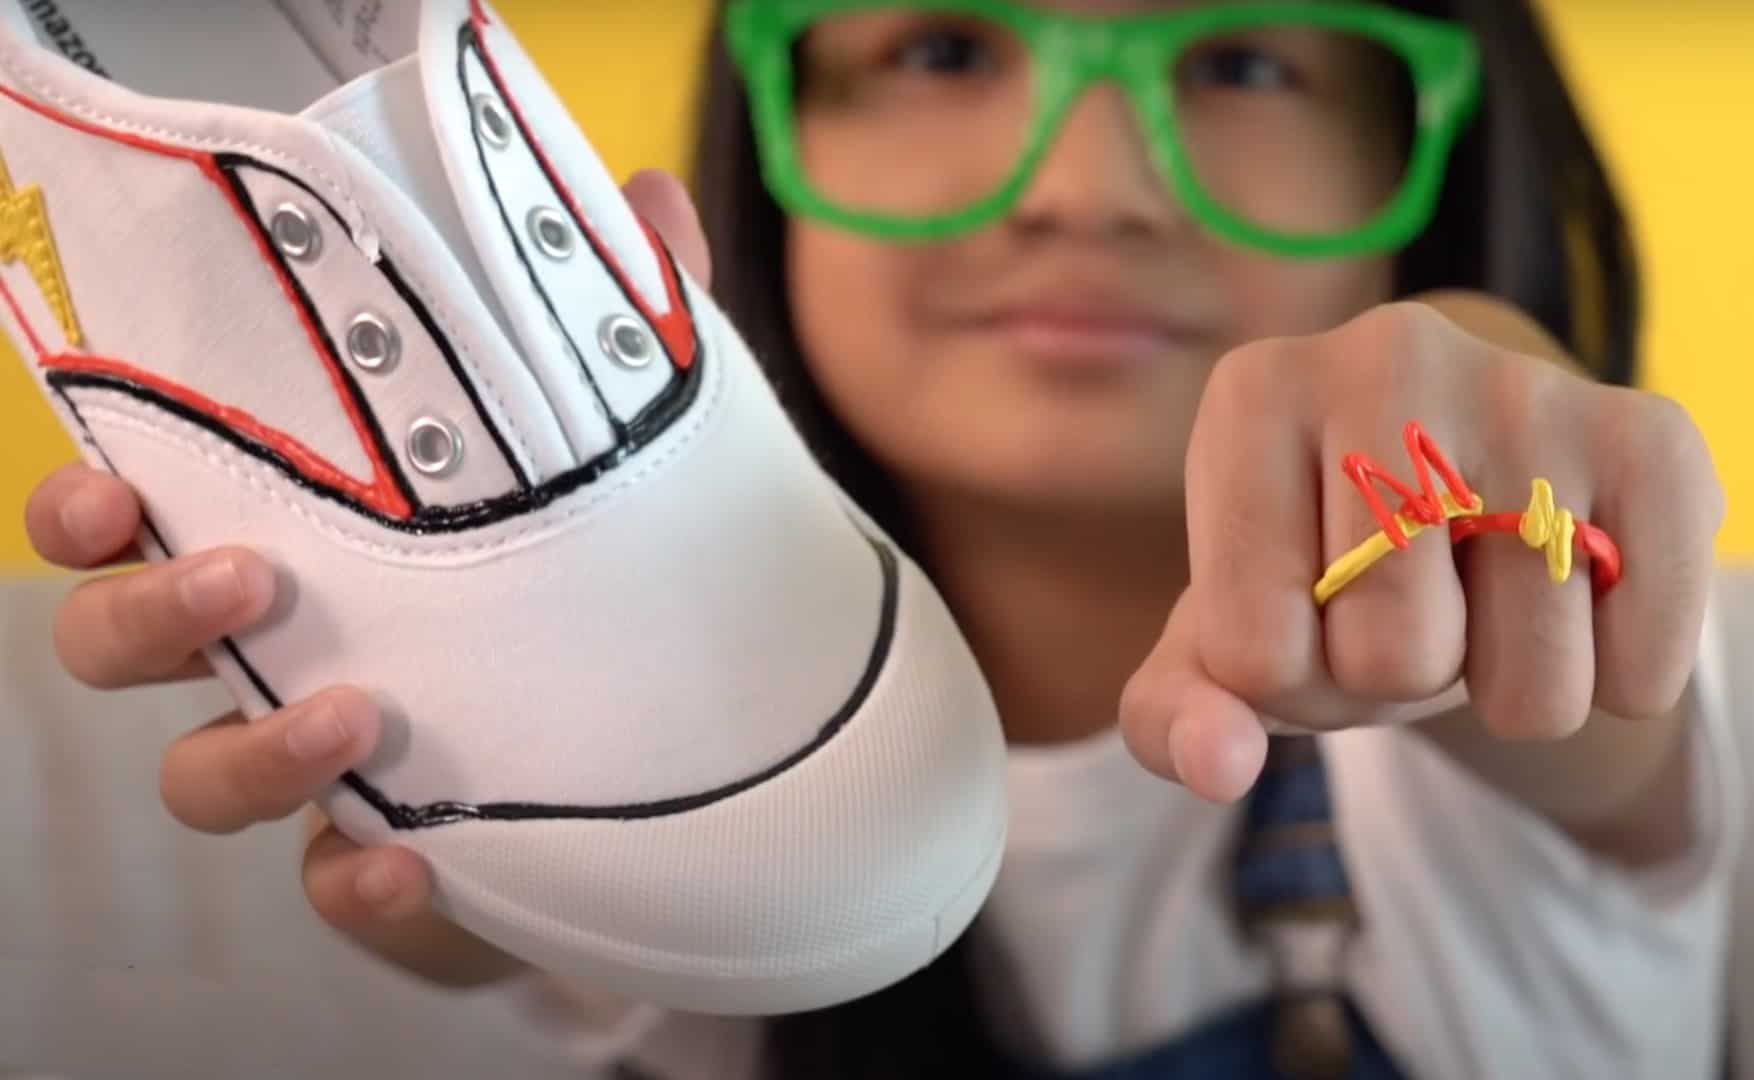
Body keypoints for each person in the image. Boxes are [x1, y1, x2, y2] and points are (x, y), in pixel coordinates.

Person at [18, 1, 1741, 1077]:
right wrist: (474, 893)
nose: (1081, 187)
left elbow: (1590, 734)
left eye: (1240, 60)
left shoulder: (1506, 753)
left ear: (1428, 158)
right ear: (764, 142)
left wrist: (1497, 428)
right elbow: (636, 944)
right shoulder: (657, 762)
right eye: (939, 49)